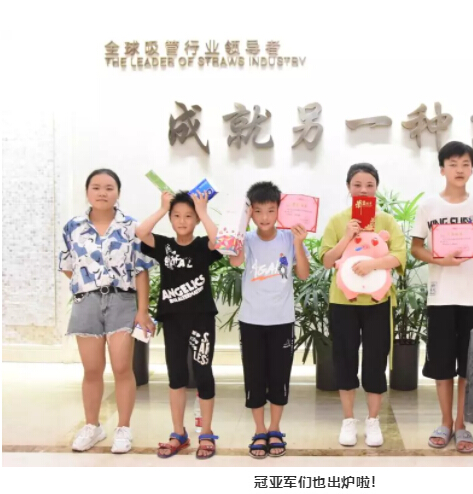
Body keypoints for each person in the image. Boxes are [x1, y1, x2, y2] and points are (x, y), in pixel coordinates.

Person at [58, 169, 155, 454]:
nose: (102, 192)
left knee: (122, 368)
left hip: (122, 301)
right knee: (92, 369)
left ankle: (123, 428)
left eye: (109, 188)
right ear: (87, 191)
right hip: (86, 302)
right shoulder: (73, 227)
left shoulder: (130, 227)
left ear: (118, 193)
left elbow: (141, 270)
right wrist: (89, 286)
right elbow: (68, 266)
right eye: (96, 187)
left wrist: (142, 311)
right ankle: (93, 426)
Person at [410, 141, 473, 453]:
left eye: (465, 164)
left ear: (472, 169)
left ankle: (461, 425)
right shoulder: (429, 206)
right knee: (442, 365)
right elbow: (416, 247)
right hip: (441, 298)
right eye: (453, 164)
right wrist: (439, 260)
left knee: (469, 367)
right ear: (442, 169)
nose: (459, 170)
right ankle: (445, 422)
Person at [320, 163, 406, 448]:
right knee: (344, 357)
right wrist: (347, 235)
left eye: (369, 185)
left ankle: (373, 420)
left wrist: (373, 264)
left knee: (375, 359)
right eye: (357, 185)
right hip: (343, 301)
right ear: (348, 188)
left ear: (376, 188)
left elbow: (399, 256)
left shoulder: (387, 221)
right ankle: (348, 420)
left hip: (378, 300)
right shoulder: (338, 221)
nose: (364, 190)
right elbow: (327, 260)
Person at [136, 190, 223, 459]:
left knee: (203, 373)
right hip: (173, 320)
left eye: (188, 216)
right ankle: (178, 433)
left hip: (201, 320)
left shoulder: (202, 246)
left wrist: (203, 211)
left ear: (196, 220)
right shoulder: (164, 245)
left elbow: (220, 241)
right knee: (176, 376)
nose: (182, 221)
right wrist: (163, 208)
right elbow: (141, 231)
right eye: (176, 216)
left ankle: (206, 433)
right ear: (170, 219)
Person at [229, 181, 310, 459]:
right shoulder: (247, 239)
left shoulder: (289, 238)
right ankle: (259, 429)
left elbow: (303, 274)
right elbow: (235, 262)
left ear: (279, 211)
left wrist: (298, 243)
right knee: (254, 377)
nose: (264, 217)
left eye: (271, 210)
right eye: (258, 211)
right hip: (251, 321)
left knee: (279, 377)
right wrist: (239, 229)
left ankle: (275, 428)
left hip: (282, 321)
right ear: (250, 212)